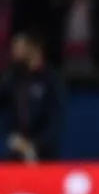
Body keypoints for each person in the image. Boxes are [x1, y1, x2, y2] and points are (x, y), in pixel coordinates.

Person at [0, 30, 64, 162]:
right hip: (16, 151)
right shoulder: (13, 77)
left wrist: (35, 146)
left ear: (33, 48)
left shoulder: (50, 80)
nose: (14, 51)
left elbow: (55, 119)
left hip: (44, 154)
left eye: (18, 46)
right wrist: (17, 141)